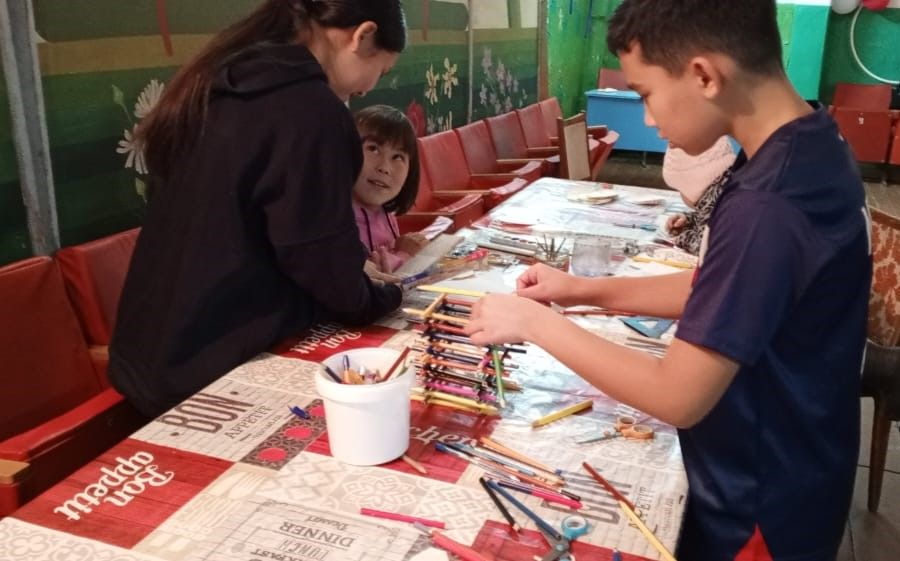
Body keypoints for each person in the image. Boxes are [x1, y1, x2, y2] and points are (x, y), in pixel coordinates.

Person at [464, 2, 870, 560]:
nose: (650, 120)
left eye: (646, 94)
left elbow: (677, 396)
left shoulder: (768, 204)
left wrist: (534, 324)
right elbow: (726, 290)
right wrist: (584, 291)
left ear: (704, 75)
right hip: (800, 466)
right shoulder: (808, 143)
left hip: (760, 506)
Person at [109, 0, 408, 418]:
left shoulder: (219, 79)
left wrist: (352, 268)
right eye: (381, 70)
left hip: (149, 356)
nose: (368, 89)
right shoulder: (311, 110)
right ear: (363, 35)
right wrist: (384, 297)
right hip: (211, 372)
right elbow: (318, 258)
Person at [351, 104, 428, 275]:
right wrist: (406, 254)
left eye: (398, 157)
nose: (384, 168)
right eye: (373, 149)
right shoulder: (334, 220)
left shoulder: (385, 212)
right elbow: (371, 278)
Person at [662, 135, 735, 255]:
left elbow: (703, 247)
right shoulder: (723, 189)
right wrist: (689, 220)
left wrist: (681, 237)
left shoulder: (714, 202)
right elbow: (705, 218)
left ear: (692, 187)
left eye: (680, 189)